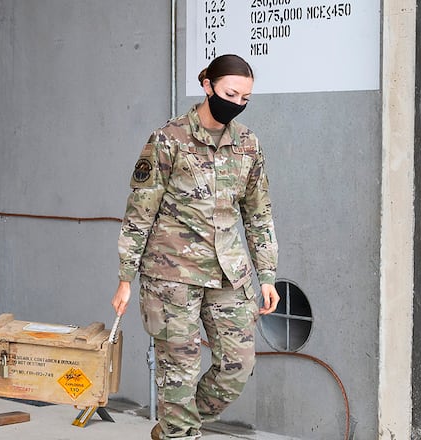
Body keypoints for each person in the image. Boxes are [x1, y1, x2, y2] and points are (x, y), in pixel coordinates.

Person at [111, 54, 280, 440]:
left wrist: (267, 275)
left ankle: (176, 424)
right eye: (230, 94)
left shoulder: (248, 145)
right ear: (208, 86)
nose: (236, 103)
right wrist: (125, 277)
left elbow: (258, 214)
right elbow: (140, 212)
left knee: (237, 366)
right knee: (179, 373)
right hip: (172, 276)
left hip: (229, 274)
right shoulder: (168, 139)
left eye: (245, 98)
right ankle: (179, 431)